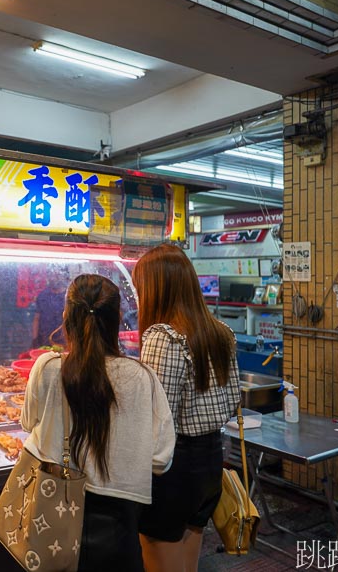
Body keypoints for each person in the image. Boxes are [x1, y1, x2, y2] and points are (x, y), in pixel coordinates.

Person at [22, 274, 175, 570]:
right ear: (118, 318)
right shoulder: (143, 377)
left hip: (55, 519)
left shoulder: (48, 368)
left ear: (67, 316)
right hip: (120, 530)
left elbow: (29, 422)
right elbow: (161, 460)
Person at [131, 244, 240, 572]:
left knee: (159, 564)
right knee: (187, 564)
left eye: (140, 288)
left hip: (173, 471)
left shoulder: (163, 337)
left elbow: (156, 419)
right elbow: (233, 399)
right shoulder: (220, 332)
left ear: (156, 289)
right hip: (209, 462)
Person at [31, 274, 67, 348]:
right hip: (45, 339)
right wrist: (35, 339)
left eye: (57, 275)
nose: (54, 278)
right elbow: (36, 318)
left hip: (65, 340)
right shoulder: (43, 295)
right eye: (51, 275)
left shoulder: (69, 295)